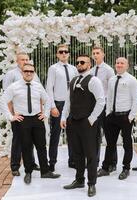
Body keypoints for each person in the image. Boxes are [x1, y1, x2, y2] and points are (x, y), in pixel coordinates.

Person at [0, 63, 61, 184]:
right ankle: (28, 172)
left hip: (37, 119)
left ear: (33, 73)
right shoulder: (14, 87)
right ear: (22, 72)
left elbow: (47, 99)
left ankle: (45, 171)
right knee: (26, 147)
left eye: (31, 71)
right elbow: (3, 101)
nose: (29, 73)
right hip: (22, 120)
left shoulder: (38, 86)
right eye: (26, 71)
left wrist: (46, 115)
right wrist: (11, 116)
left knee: (41, 146)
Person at [61, 55, 105, 197]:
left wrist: (91, 119)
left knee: (91, 154)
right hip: (73, 122)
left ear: (89, 65)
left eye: (82, 62)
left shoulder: (94, 80)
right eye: (77, 62)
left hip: (88, 123)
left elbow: (101, 101)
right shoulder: (73, 80)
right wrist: (64, 117)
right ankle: (79, 179)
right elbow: (68, 101)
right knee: (77, 153)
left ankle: (91, 184)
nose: (79, 64)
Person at [97, 57, 137, 180]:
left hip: (125, 117)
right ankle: (106, 167)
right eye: (117, 63)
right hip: (112, 116)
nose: (119, 65)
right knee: (110, 143)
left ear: (127, 65)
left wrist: (131, 117)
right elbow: (109, 97)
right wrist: (108, 113)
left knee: (127, 143)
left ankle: (126, 168)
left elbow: (136, 100)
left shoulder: (132, 80)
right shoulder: (112, 80)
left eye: (122, 63)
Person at [2, 52, 40, 176]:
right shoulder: (11, 74)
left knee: (31, 139)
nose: (25, 61)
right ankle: (15, 166)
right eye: (22, 59)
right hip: (18, 114)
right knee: (18, 140)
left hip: (32, 114)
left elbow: (38, 92)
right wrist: (12, 114)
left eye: (27, 59)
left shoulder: (33, 74)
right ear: (17, 61)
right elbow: (7, 96)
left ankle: (32, 163)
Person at [46, 44, 78, 172]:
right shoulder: (53, 68)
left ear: (69, 54)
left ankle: (73, 160)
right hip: (58, 104)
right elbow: (49, 88)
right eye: (61, 52)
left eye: (66, 51)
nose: (64, 53)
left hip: (72, 104)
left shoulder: (74, 69)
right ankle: (52, 162)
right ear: (57, 54)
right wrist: (52, 106)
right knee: (55, 134)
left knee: (73, 134)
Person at [90, 46, 116, 171]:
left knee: (109, 135)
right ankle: (95, 161)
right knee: (95, 135)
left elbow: (112, 90)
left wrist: (110, 108)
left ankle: (112, 163)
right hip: (94, 106)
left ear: (103, 54)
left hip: (106, 105)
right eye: (94, 53)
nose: (95, 55)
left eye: (98, 53)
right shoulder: (91, 70)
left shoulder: (108, 70)